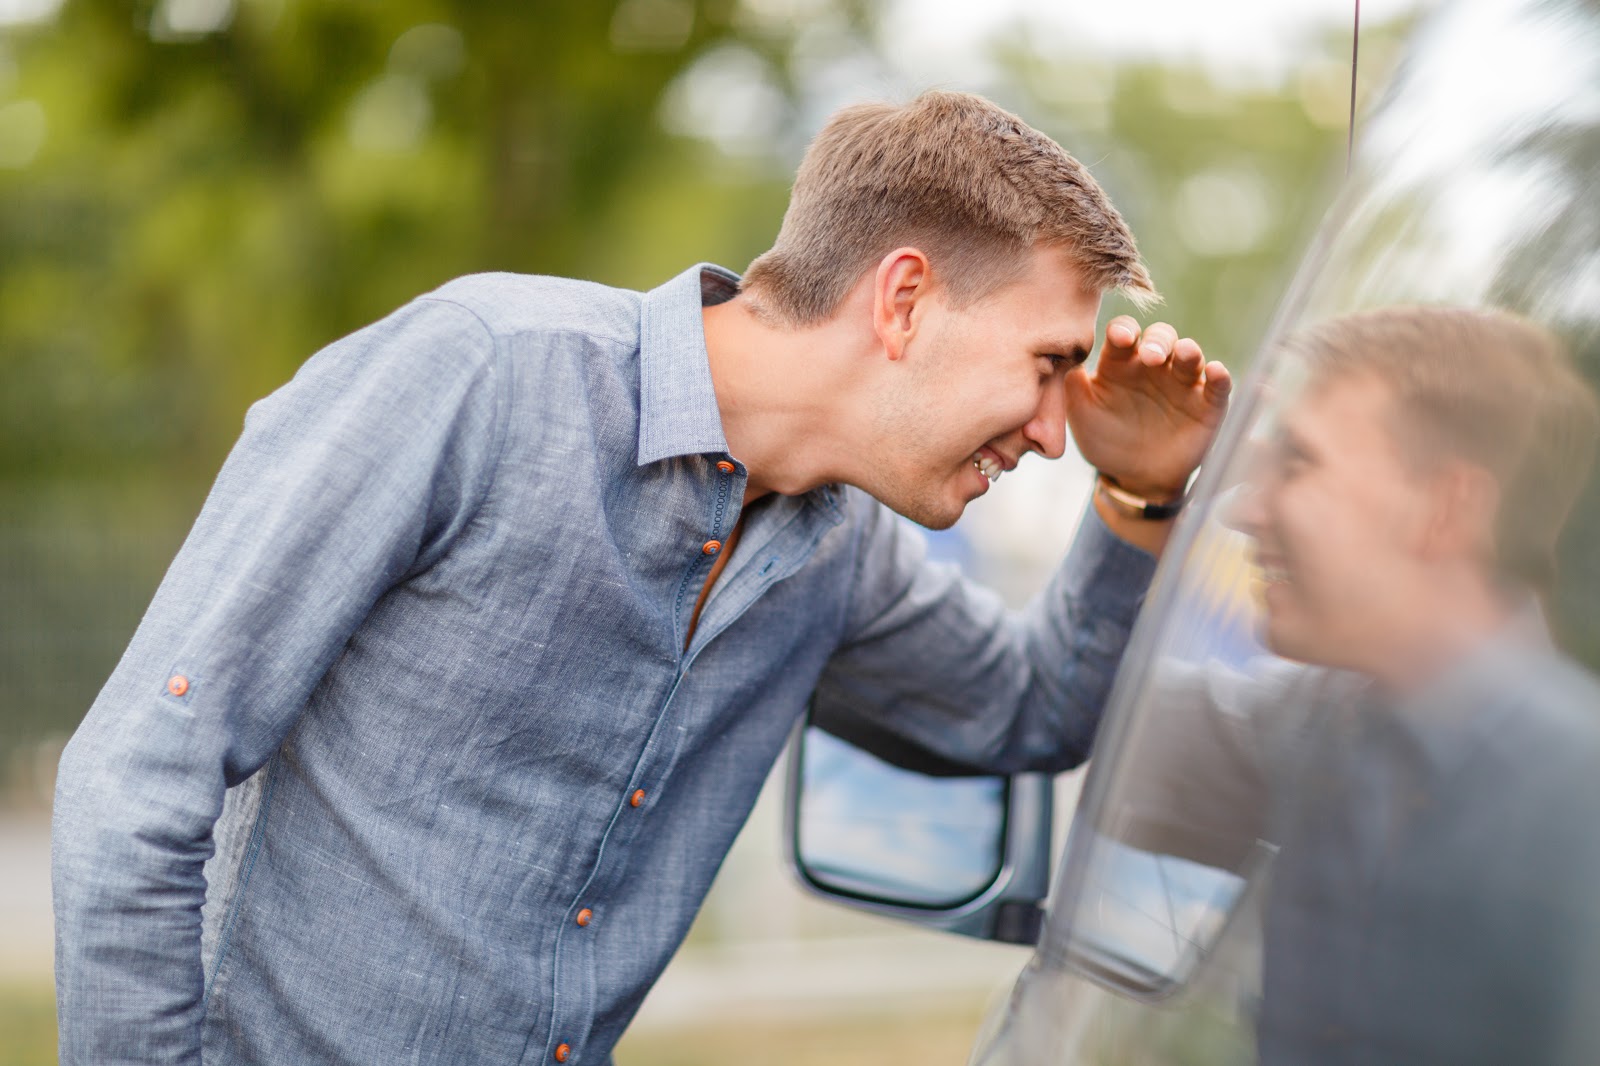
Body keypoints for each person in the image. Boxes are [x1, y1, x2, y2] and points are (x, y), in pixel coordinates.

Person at [51, 91, 1231, 1065]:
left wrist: (1142, 496)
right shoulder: (480, 377)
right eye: (1044, 367)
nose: (1048, 431)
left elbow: (1028, 710)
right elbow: (138, 777)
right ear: (904, 299)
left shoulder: (838, 549)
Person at [1124, 305, 1600, 1064]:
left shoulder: (1576, 802)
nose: (1243, 510)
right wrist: (1135, 491)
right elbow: (1067, 718)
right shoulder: (1330, 721)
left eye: (1298, 463)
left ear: (1445, 510)